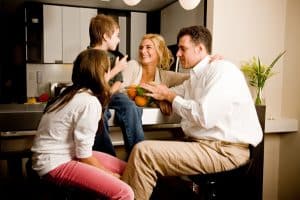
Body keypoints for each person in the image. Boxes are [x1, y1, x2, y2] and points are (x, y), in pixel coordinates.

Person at [121, 26, 263, 200]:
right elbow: (168, 90)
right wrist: (162, 95)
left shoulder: (222, 70)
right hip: (204, 145)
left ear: (200, 49)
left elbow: (204, 116)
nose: (178, 54)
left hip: (225, 151)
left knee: (144, 152)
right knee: (147, 152)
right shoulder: (195, 78)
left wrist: (170, 96)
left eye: (183, 48)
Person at [31, 49, 134, 199]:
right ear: (102, 75)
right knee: (124, 193)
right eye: (107, 71)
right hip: (54, 163)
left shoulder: (68, 93)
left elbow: (82, 153)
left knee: (130, 169)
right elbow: (84, 155)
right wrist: (110, 175)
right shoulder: (89, 101)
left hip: (65, 155)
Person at [89, 14, 144, 156]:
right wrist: (116, 69)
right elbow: (95, 85)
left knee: (131, 107)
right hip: (95, 96)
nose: (119, 39)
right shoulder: (88, 57)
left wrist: (110, 92)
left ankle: (137, 155)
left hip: (112, 94)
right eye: (117, 35)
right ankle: (107, 156)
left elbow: (119, 81)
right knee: (101, 113)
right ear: (106, 36)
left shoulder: (113, 57)